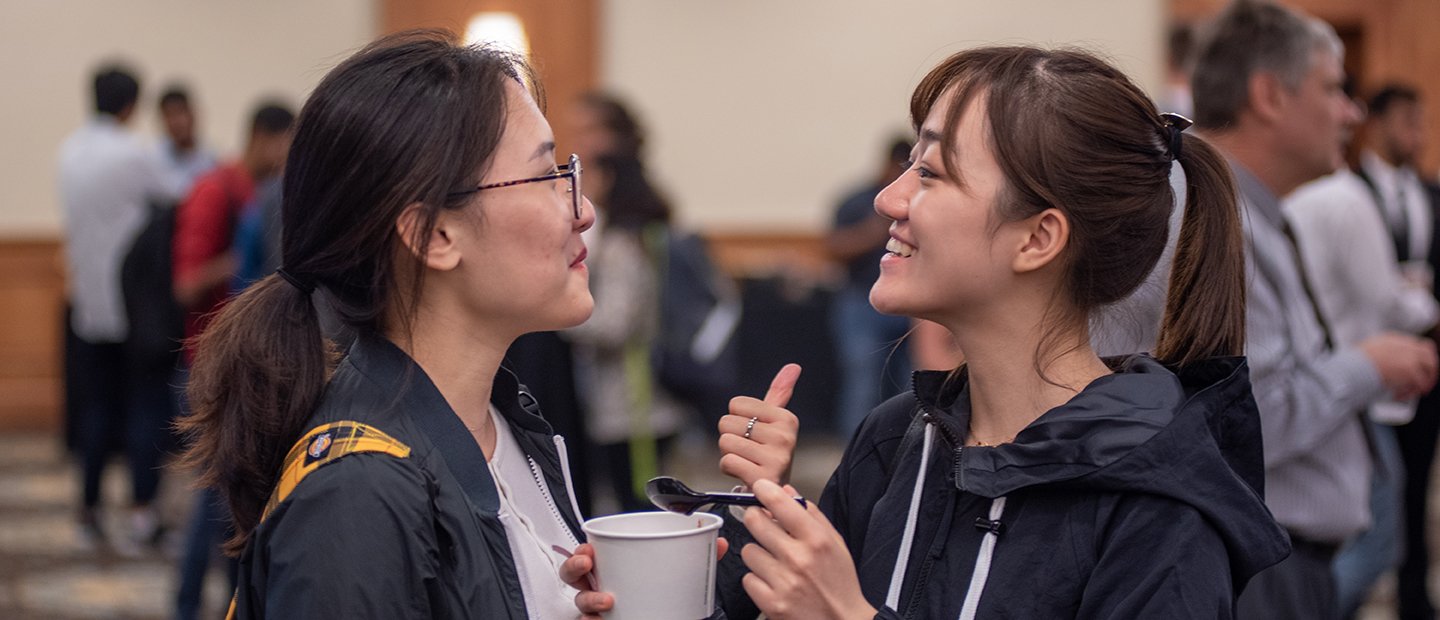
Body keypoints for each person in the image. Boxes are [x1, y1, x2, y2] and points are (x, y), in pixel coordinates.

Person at [567, 44, 1290, 618]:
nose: (889, 198)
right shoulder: (899, 439)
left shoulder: (1158, 506)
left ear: (1038, 239)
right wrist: (755, 531)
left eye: (933, 172)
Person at [177, 31, 598, 618]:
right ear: (434, 235)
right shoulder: (359, 495)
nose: (582, 209)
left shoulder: (502, 417)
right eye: (546, 175)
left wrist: (742, 554)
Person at [1185, 3, 1438, 617]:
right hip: (1264, 567)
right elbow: (1255, 416)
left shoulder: (1247, 215)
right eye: (1333, 88)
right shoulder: (1216, 224)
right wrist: (1368, 365)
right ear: (1269, 94)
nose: (1351, 113)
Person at [1282, 82, 1439, 618]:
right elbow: (1384, 298)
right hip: (1356, 379)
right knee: (1377, 536)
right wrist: (1423, 307)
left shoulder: (1300, 199)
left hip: (1345, 378)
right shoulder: (1348, 198)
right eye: (1331, 90)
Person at [171, 101, 294, 620]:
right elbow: (192, 284)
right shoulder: (230, 192)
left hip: (239, 362)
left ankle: (206, 602)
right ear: (268, 137)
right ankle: (192, 603)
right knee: (222, 499)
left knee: (228, 499)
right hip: (221, 362)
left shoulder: (256, 195)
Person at [57, 63, 182, 550]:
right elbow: (176, 196)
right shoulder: (134, 153)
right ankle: (142, 512)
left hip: (87, 304)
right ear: (131, 105)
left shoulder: (68, 151)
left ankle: (88, 510)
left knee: (94, 410)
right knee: (144, 409)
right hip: (137, 308)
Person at [563, 92, 689, 513]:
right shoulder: (640, 225)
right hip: (638, 398)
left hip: (634, 405)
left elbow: (613, 323)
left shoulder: (625, 240)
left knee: (639, 510)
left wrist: (553, 315)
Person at [1354, 83, 1440, 620]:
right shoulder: (1347, 191)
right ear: (1378, 122)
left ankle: (1414, 597)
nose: (1419, 132)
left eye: (1423, 121)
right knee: (1372, 495)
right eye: (1408, 119)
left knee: (1417, 484)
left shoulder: (1430, 193)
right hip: (1367, 364)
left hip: (1425, 363)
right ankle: (1352, 589)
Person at [827, 137, 915, 438]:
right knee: (862, 381)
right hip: (859, 302)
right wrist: (872, 232)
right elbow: (833, 249)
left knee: (913, 382)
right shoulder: (857, 200)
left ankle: (907, 449)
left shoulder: (919, 199)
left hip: (910, 303)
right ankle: (855, 451)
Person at [154, 86, 218, 197]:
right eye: (169, 115)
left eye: (180, 113)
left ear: (192, 114)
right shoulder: (154, 158)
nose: (176, 122)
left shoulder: (211, 158)